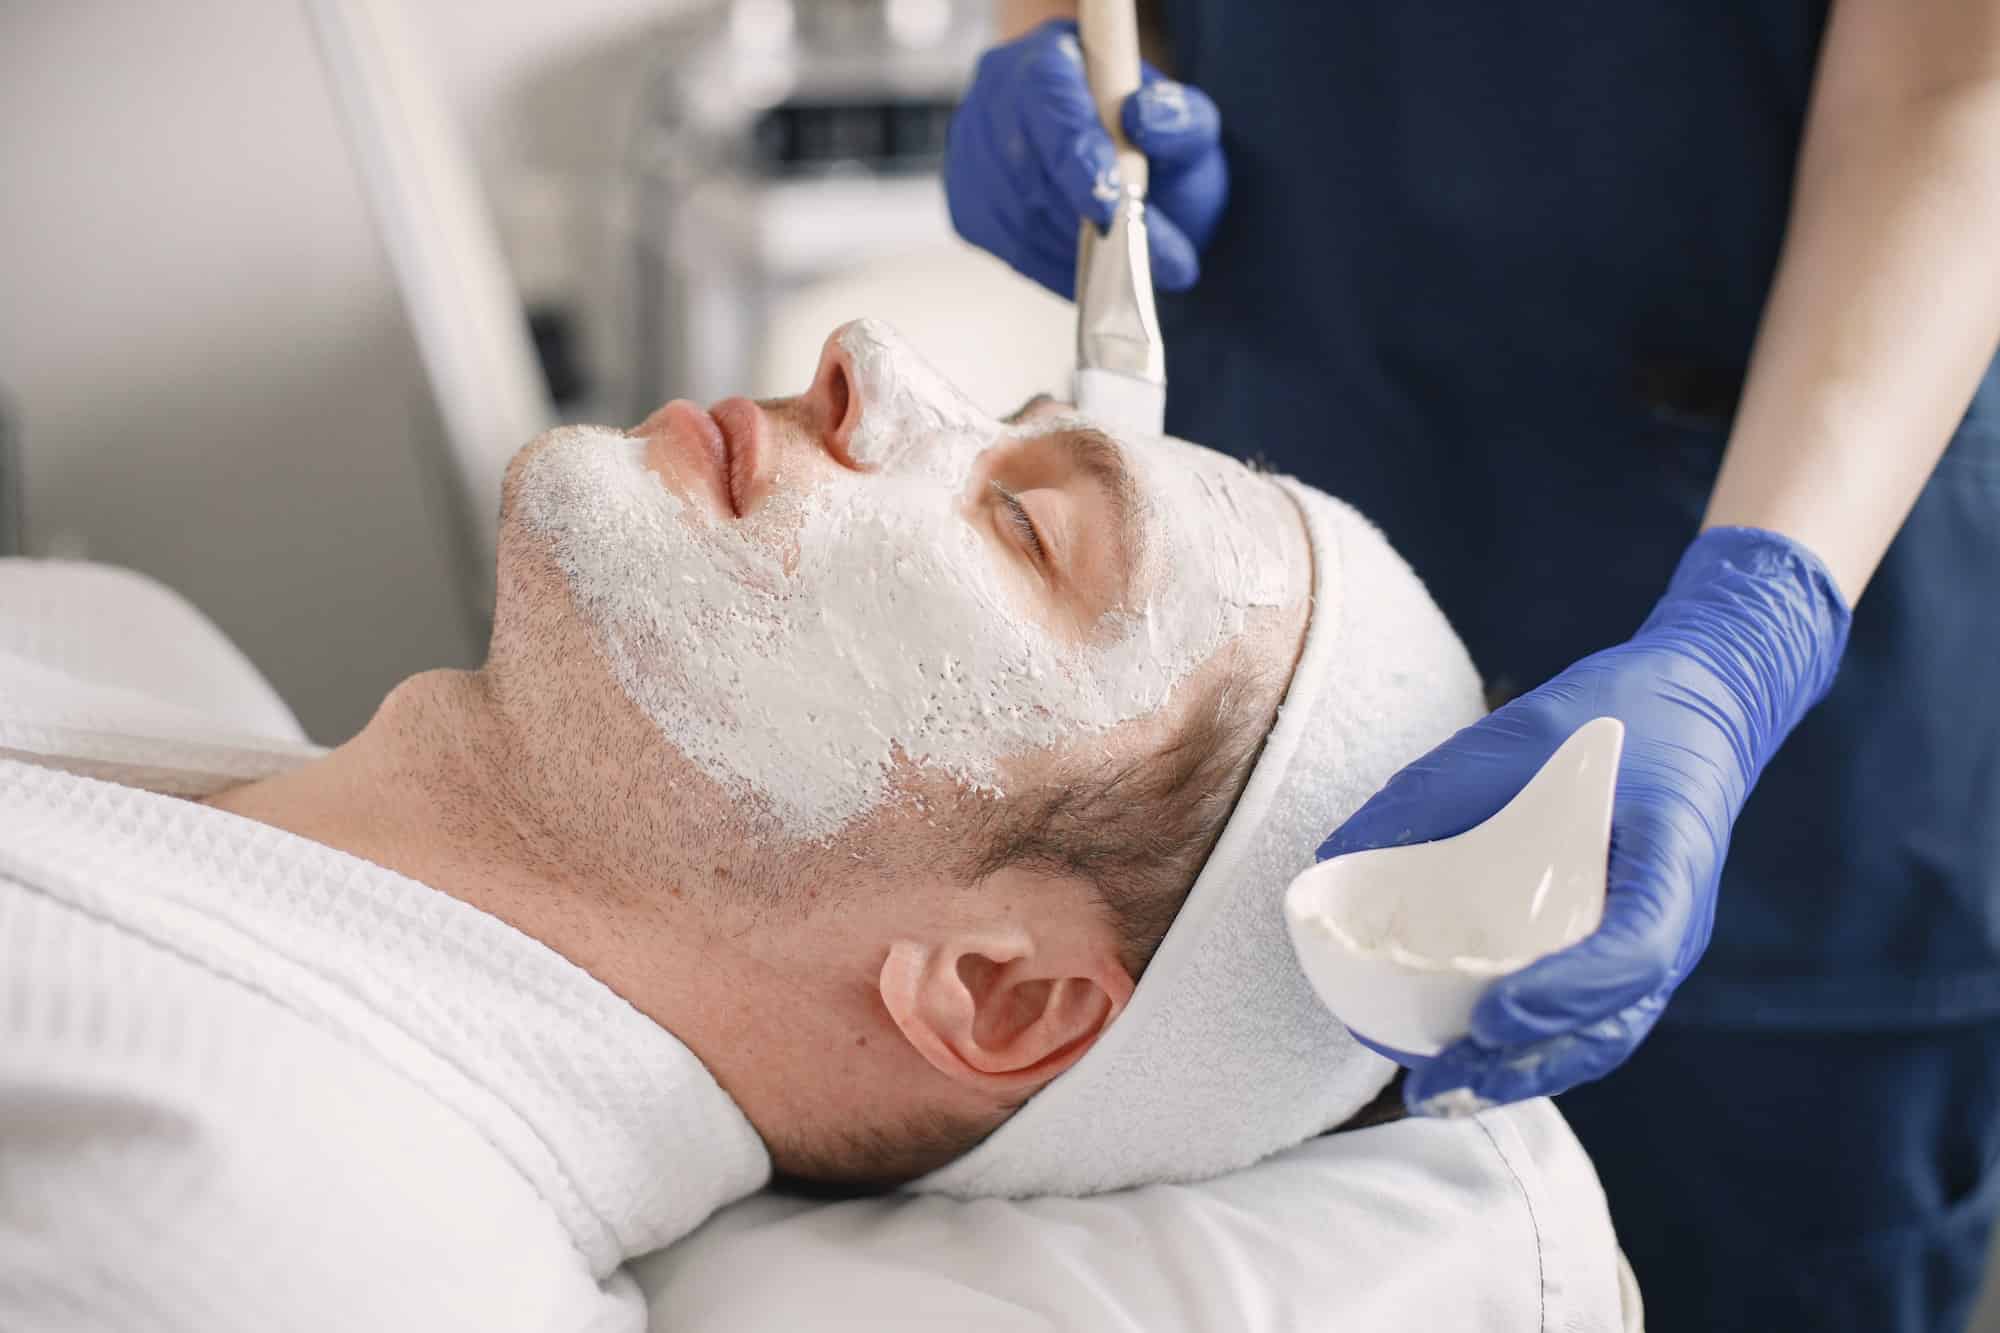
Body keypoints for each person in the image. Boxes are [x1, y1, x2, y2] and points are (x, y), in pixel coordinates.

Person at [1, 319, 1557, 1329]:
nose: (865, 361)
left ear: (992, 991)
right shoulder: (117, 629)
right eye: (994, 416)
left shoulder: (276, 1250)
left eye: (1025, 522)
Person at [945, 2, 2000, 1328]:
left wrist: (1752, 633)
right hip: (1296, 437)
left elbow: (1949, 90)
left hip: (1799, 609)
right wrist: (1055, 50)